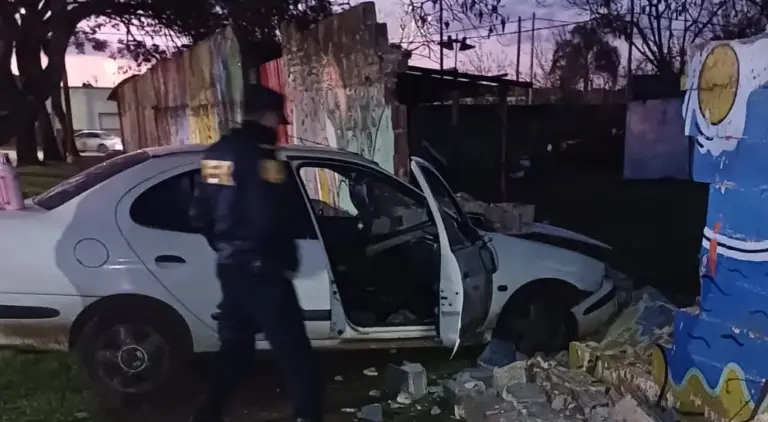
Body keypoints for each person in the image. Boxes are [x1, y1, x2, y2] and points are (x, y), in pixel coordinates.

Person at [189, 84, 324, 422]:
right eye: (277, 118)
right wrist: (284, 256)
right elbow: (273, 214)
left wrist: (226, 246)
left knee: (237, 350)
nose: (278, 125)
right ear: (267, 116)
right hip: (263, 269)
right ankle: (309, 416)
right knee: (295, 353)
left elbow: (201, 214)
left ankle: (206, 414)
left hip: (231, 266)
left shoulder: (216, 154)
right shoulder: (264, 158)